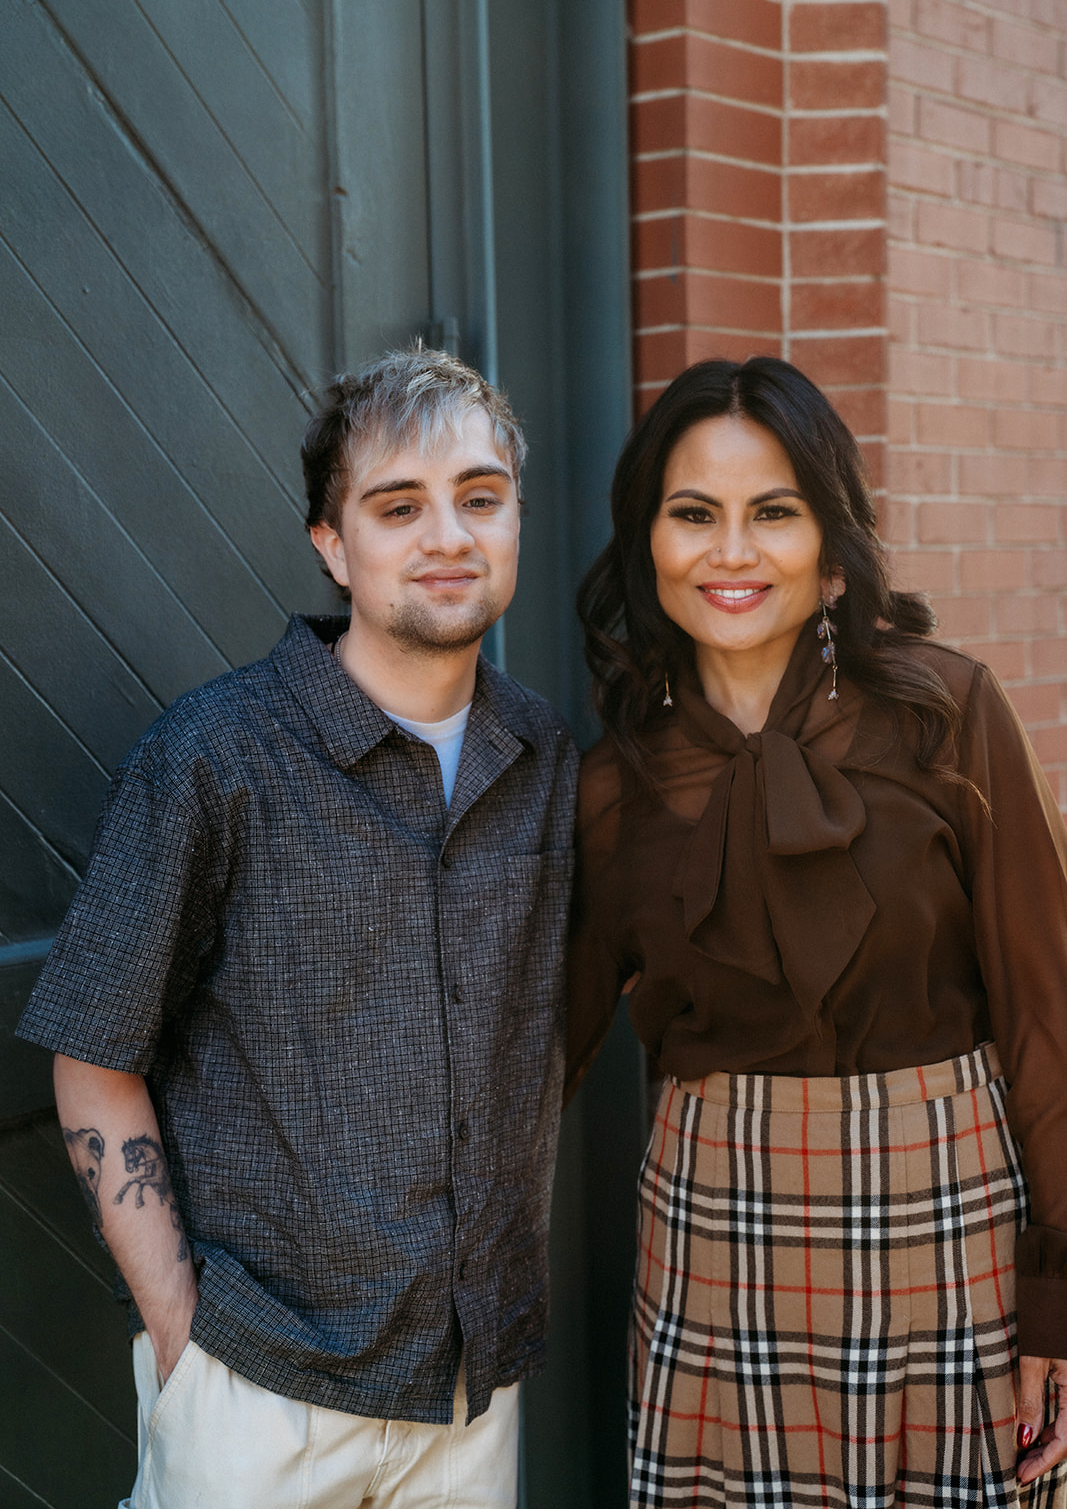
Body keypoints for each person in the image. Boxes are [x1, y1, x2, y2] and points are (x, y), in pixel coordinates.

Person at [18, 346, 577, 1509]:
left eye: (479, 497)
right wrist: (183, 1342)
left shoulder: (544, 759)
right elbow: (94, 1055)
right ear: (332, 544)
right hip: (257, 1399)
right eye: (396, 505)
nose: (446, 535)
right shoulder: (214, 756)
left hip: (470, 1398)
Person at [566, 355, 1067, 1508]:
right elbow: (542, 1045)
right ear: (649, 542)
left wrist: (1058, 1298)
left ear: (830, 551)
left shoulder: (946, 714)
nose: (730, 551)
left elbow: (1047, 1021)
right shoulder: (609, 788)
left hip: (950, 1227)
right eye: (693, 514)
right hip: (713, 1236)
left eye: (771, 514)